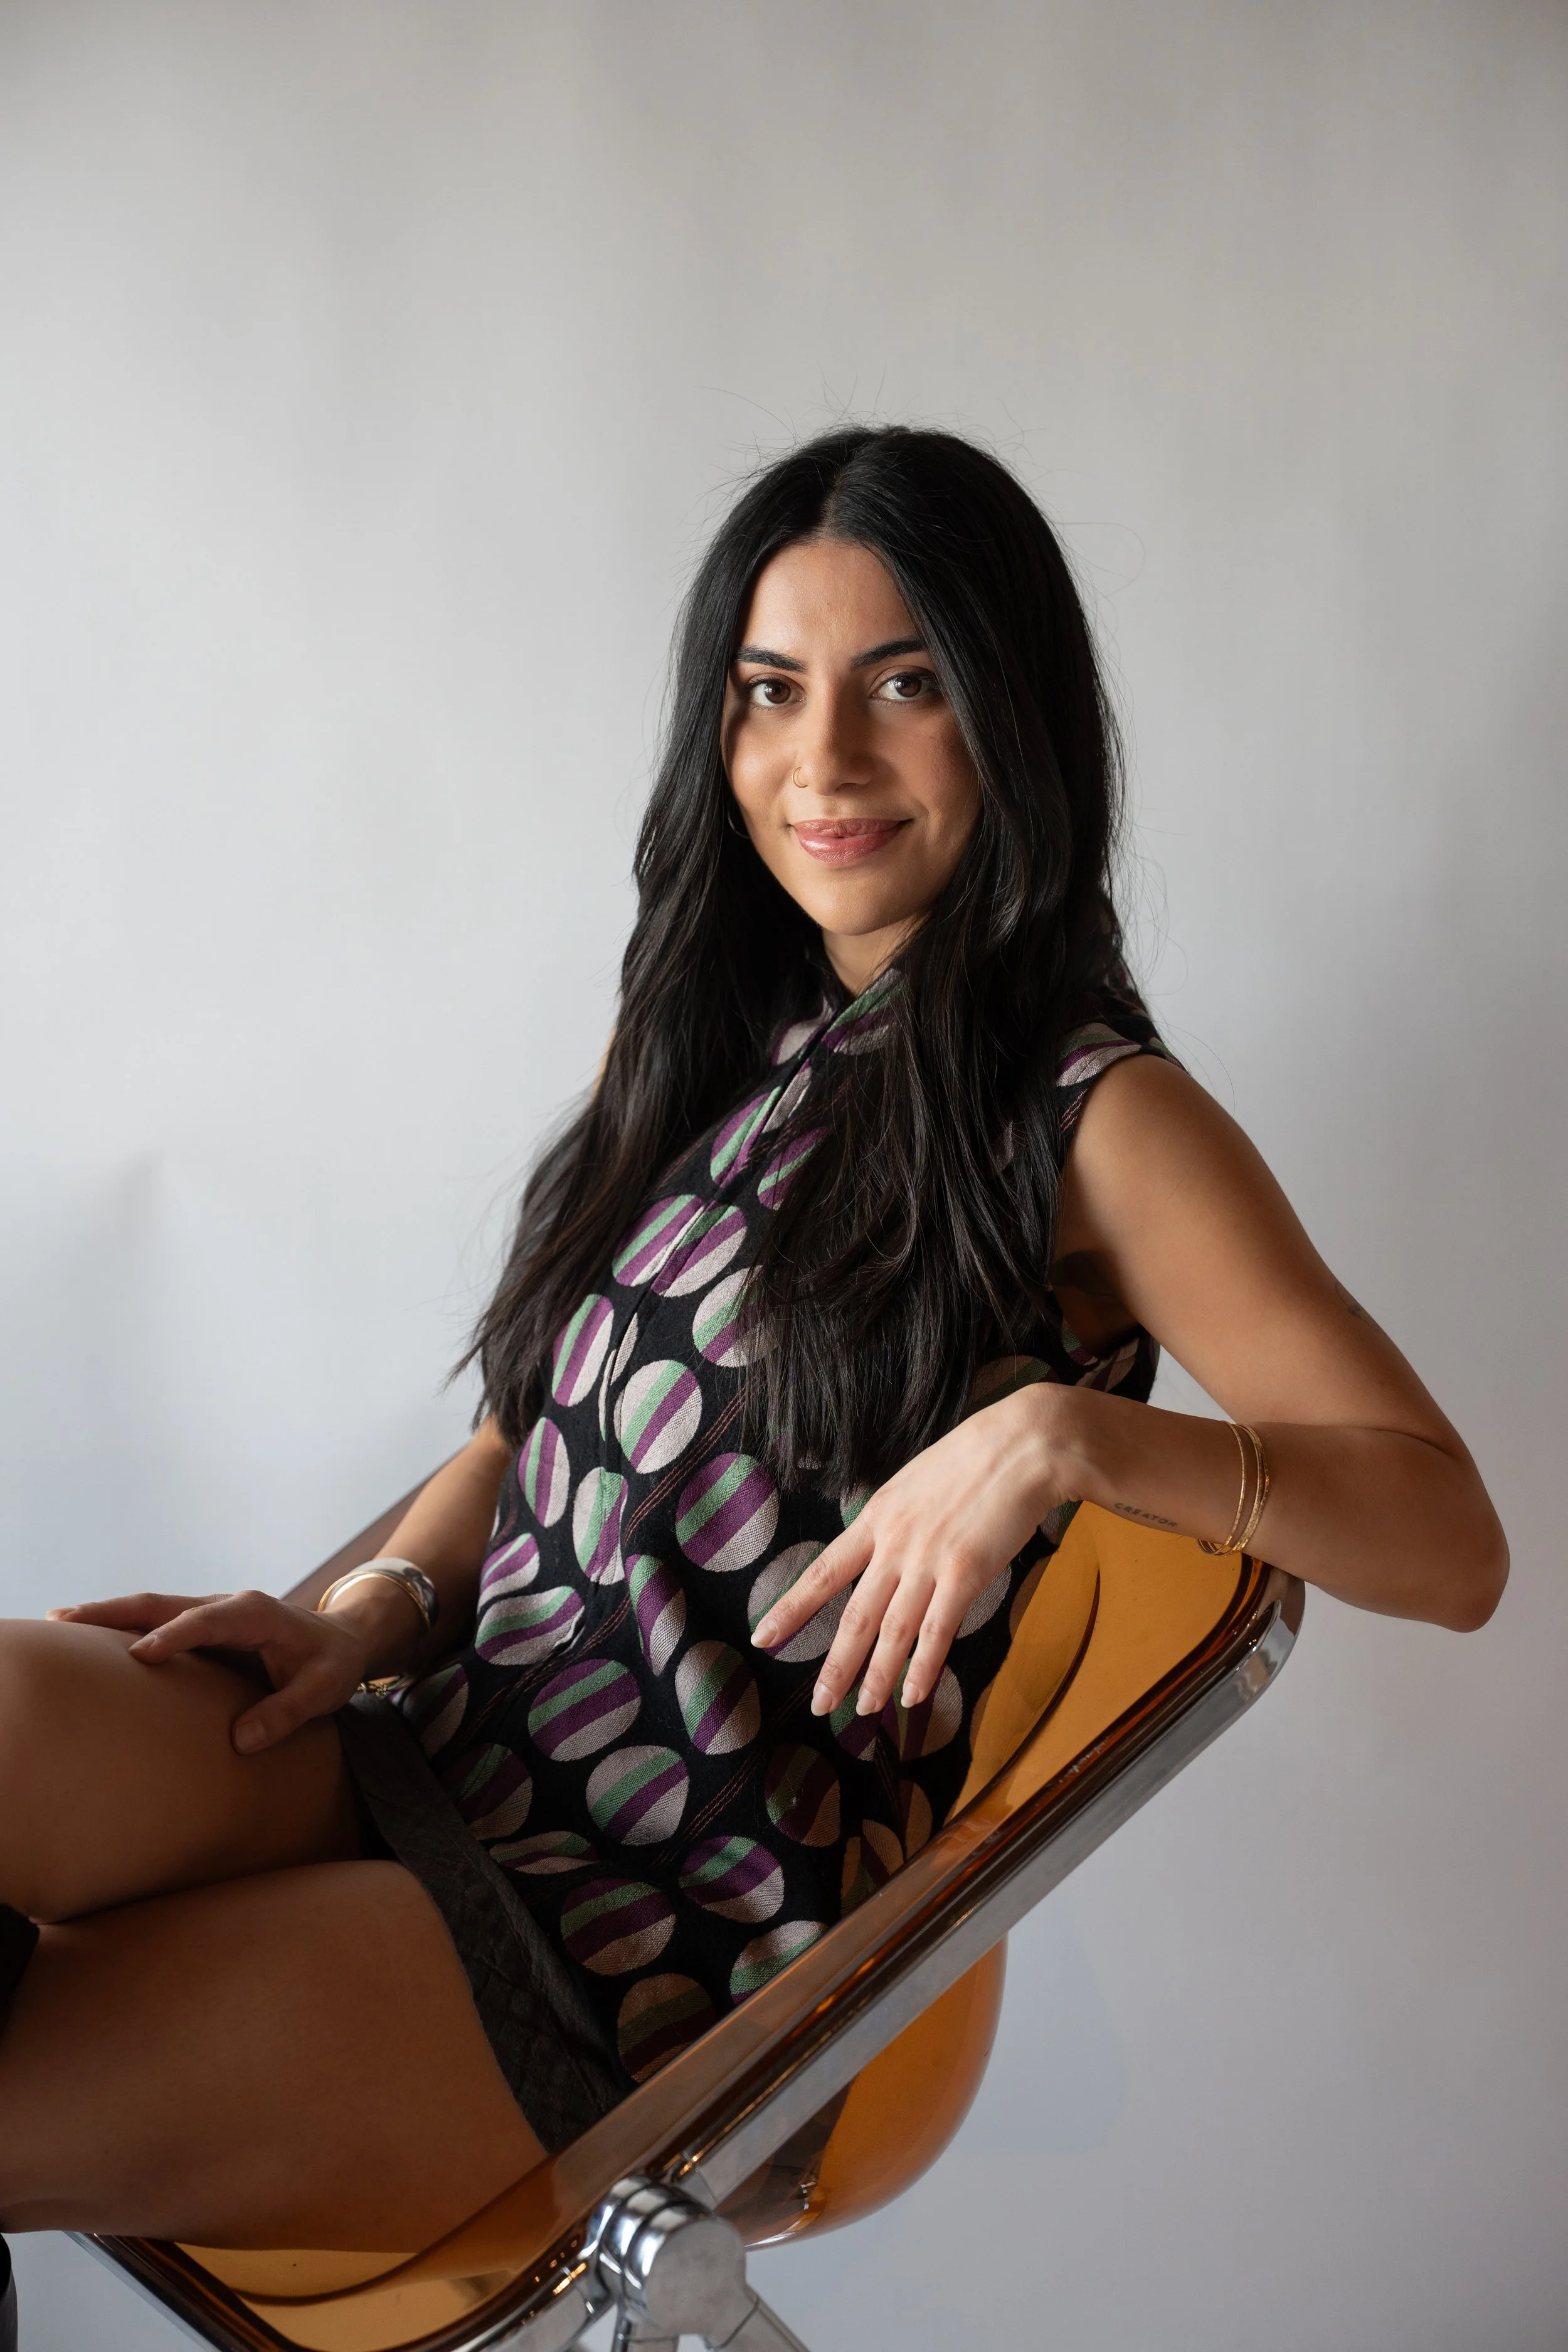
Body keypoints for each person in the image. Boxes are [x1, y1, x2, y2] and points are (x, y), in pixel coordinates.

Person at [0, 426, 1507, 2267]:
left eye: (905, 685)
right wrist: (366, 1610)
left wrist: (1063, 1434)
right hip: (432, 1734)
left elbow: (1450, 1541)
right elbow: (524, 1430)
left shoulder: (1096, 1118)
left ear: (1009, 716)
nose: (822, 763)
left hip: (649, 1942)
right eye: (769, 693)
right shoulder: (734, 1042)